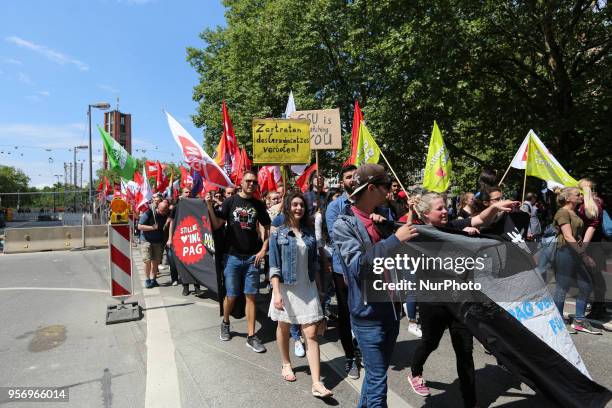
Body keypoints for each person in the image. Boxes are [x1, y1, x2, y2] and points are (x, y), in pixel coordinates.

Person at [408, 193, 518, 407]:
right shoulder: (420, 233)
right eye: (439, 208)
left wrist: (496, 208)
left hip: (460, 301)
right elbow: (404, 235)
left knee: (465, 351)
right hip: (433, 302)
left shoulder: (454, 226)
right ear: (426, 214)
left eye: (445, 207)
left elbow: (479, 219)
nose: (445, 211)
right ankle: (415, 372)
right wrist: (411, 213)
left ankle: (470, 401)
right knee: (430, 342)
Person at [334, 164, 419, 408]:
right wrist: (394, 240)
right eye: (385, 186)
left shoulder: (382, 217)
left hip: (390, 310)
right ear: (371, 188)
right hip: (368, 314)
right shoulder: (344, 224)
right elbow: (359, 265)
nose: (389, 191)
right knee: (378, 380)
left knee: (374, 377)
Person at [268, 191, 332, 398]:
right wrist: (276, 293)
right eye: (294, 204)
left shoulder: (310, 233)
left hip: (308, 287)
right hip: (286, 288)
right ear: (288, 207)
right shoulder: (278, 233)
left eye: (301, 205)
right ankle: (286, 363)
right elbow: (274, 266)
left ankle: (316, 383)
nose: (298, 208)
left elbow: (314, 264)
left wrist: (320, 290)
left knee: (311, 334)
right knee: (284, 326)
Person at [207, 170, 272, 352]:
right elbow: (217, 224)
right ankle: (226, 322)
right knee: (232, 295)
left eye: (254, 182)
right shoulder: (231, 201)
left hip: (252, 258)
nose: (251, 184)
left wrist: (263, 248)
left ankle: (251, 336)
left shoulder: (258, 205)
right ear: (241, 183)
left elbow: (268, 227)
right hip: (232, 257)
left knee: (251, 296)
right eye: (248, 181)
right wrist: (209, 206)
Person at [325, 164, 361, 379]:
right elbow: (337, 240)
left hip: (366, 267)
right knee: (346, 314)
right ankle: (349, 357)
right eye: (348, 177)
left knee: (364, 312)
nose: (353, 180)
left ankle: (362, 349)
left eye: (356, 176)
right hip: (344, 269)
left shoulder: (368, 204)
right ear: (342, 182)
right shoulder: (335, 207)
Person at [553, 187, 601, 334]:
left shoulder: (575, 212)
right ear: (568, 198)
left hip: (575, 253)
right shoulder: (563, 212)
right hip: (564, 252)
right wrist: (584, 256)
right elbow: (568, 236)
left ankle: (579, 320)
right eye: (577, 194)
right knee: (563, 287)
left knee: (586, 285)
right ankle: (557, 320)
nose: (580, 196)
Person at [577, 179, 608, 320]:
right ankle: (598, 307)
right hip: (597, 246)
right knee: (597, 277)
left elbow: (589, 228)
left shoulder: (586, 206)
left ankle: (597, 309)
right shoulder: (597, 203)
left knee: (592, 278)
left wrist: (582, 249)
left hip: (590, 246)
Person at [167, 187, 203, 295]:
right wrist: (170, 238)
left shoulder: (194, 206)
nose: (188, 194)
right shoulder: (176, 207)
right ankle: (185, 287)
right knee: (183, 264)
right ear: (181, 195)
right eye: (186, 192)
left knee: (195, 262)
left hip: (192, 238)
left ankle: (197, 287)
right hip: (180, 238)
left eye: (189, 192)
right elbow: (171, 223)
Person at [138, 200, 170, 288]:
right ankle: (147, 279)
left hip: (158, 241)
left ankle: (153, 279)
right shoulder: (149, 213)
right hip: (146, 240)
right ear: (158, 208)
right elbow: (140, 226)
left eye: (165, 210)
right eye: (162, 210)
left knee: (155, 262)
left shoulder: (166, 214)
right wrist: (152, 227)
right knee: (147, 260)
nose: (163, 213)